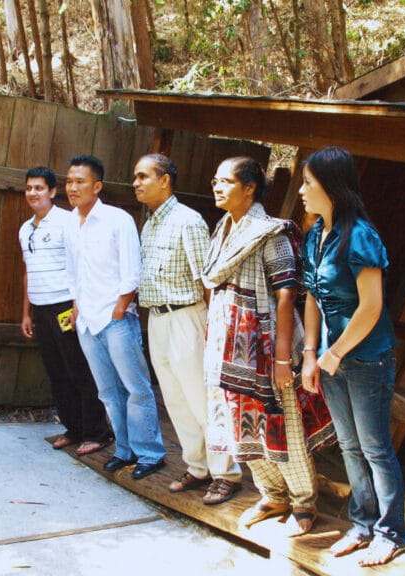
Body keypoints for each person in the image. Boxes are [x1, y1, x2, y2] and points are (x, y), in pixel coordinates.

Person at [201, 156, 335, 536]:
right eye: (215, 180)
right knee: (240, 430)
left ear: (250, 188)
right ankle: (272, 495)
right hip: (227, 354)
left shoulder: (270, 233)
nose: (217, 186)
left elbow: (287, 296)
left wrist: (281, 359)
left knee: (283, 428)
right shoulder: (224, 230)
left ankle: (303, 503)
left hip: (263, 353)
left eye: (226, 181)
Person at [299, 146, 405, 566]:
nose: (304, 191)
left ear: (331, 185)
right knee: (348, 445)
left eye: (309, 183)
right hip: (329, 360)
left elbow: (371, 307)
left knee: (376, 447)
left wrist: (336, 352)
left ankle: (391, 532)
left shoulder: (360, 234)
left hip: (366, 360)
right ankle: (362, 525)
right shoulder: (315, 234)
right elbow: (311, 297)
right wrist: (312, 354)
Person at [134, 153, 243, 505]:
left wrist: (213, 330)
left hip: (187, 319)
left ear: (164, 179)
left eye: (142, 176)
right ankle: (198, 467)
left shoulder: (188, 221)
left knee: (203, 400)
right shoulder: (150, 223)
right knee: (176, 400)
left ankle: (226, 474)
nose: (136, 183)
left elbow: (208, 280)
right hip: (158, 320)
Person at [63, 154, 167, 481]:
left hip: (116, 319)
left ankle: (150, 453)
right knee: (108, 392)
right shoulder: (69, 222)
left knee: (136, 388)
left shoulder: (117, 219)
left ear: (97, 186)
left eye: (80, 182)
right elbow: (72, 271)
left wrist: (120, 308)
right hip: (87, 321)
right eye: (69, 181)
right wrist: (77, 306)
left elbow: (132, 271)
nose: (72, 187)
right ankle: (124, 450)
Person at [18, 166, 112, 455]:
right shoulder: (25, 228)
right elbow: (28, 271)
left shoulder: (66, 221)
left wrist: (76, 308)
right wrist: (26, 312)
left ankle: (98, 432)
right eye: (29, 188)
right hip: (40, 308)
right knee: (57, 373)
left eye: (39, 188)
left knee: (79, 370)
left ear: (52, 192)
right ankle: (74, 429)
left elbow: (78, 266)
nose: (33, 193)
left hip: (64, 306)